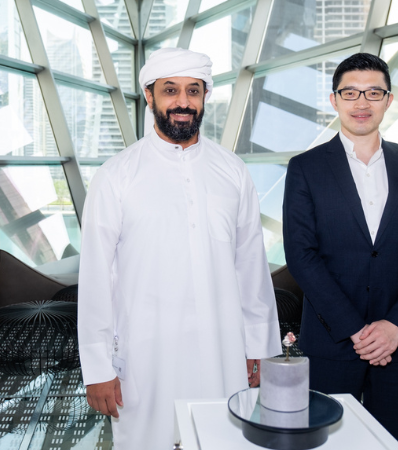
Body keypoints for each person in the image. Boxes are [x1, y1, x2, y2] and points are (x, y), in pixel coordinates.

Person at [77, 47, 281, 449]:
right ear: (149, 96)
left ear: (205, 97)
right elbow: (97, 277)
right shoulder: (116, 175)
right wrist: (97, 368)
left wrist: (259, 346)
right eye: (170, 90)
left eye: (193, 91)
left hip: (222, 349)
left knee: (223, 439)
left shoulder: (232, 171)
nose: (183, 102)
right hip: (146, 354)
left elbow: (251, 266)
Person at [282, 52, 398, 447]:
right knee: (328, 443)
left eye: (374, 92)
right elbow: (302, 255)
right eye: (350, 92)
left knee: (390, 441)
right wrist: (356, 331)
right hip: (333, 341)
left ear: (389, 100)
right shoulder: (305, 168)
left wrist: (396, 325)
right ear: (334, 100)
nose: (362, 102)